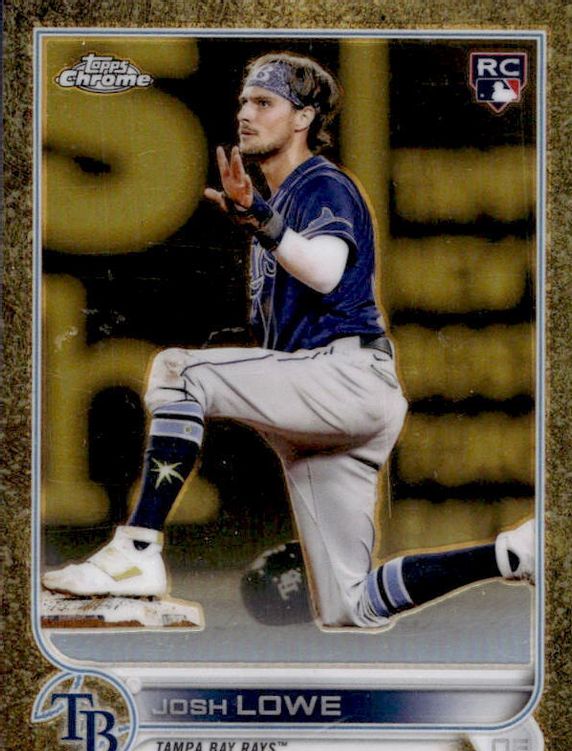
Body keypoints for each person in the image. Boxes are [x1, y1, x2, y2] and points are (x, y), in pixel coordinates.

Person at [43, 53, 535, 628]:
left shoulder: (320, 183)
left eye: (264, 102)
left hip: (346, 379)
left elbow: (326, 271)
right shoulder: (273, 211)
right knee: (351, 606)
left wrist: (263, 221)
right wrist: (261, 223)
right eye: (243, 102)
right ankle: (513, 553)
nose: (245, 114)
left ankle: (136, 551)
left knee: (179, 371)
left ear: (303, 118)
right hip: (331, 404)